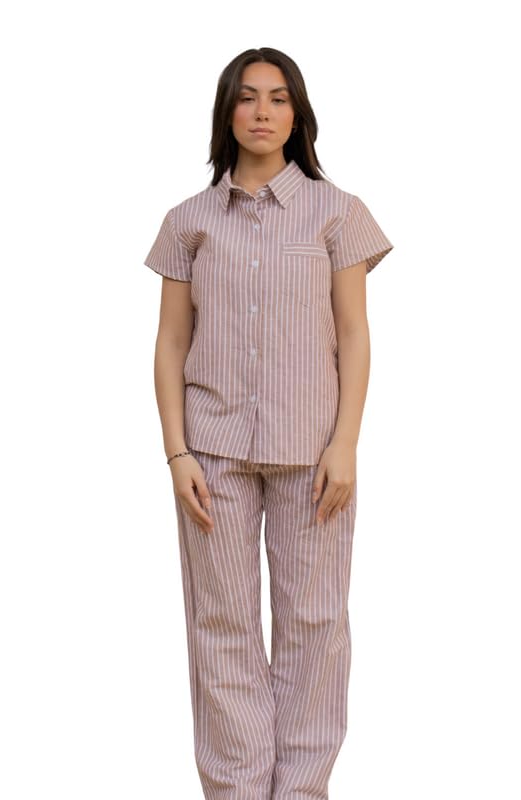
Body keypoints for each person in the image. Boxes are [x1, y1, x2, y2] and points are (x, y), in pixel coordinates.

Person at [143, 47, 394, 800]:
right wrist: (177, 453)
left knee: (314, 623)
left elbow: (353, 334)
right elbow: (171, 343)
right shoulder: (188, 221)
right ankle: (236, 789)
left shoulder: (337, 212)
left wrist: (345, 444)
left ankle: (301, 789)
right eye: (247, 97)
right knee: (221, 626)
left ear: (298, 113)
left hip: (314, 453)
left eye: (278, 98)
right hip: (211, 453)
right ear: (226, 111)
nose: (262, 111)